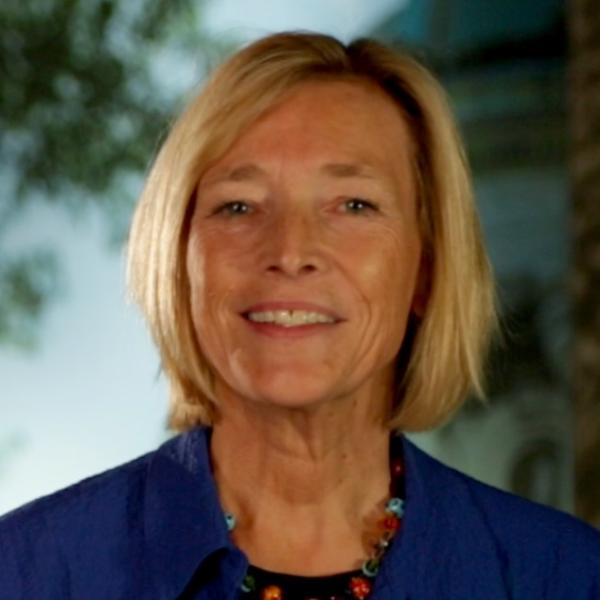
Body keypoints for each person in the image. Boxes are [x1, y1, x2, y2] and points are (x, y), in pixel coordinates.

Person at [1, 31, 599, 600]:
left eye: (354, 205)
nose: (290, 252)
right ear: (179, 262)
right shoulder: (27, 570)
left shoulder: (567, 577)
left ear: (426, 269)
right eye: (238, 205)